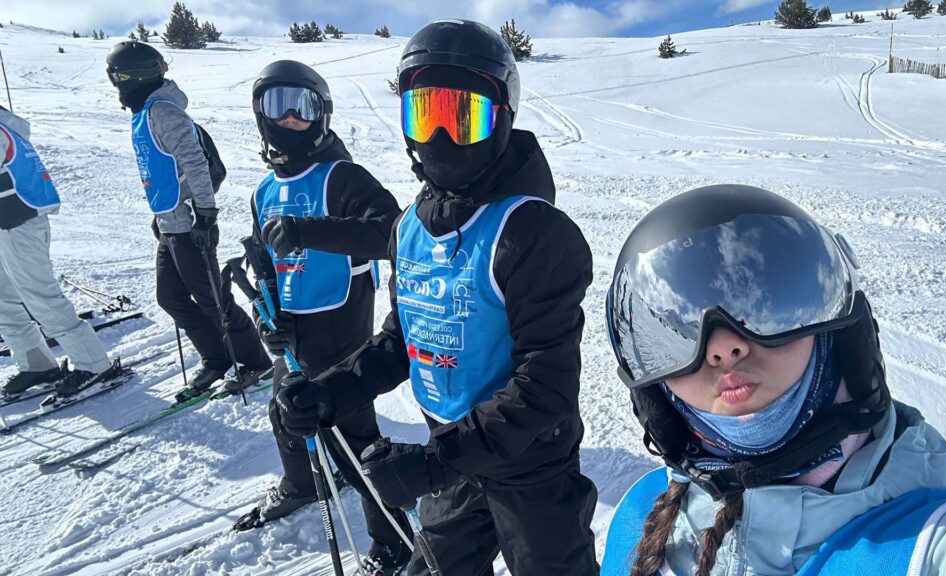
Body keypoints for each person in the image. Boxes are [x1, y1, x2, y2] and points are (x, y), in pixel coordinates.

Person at [274, 19, 600, 576]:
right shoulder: (408, 230)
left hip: (530, 467)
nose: (441, 139)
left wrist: (434, 465)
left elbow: (544, 386)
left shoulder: (534, 234)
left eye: (463, 118)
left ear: (500, 121)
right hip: (451, 453)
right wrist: (333, 391)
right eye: (426, 115)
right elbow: (405, 340)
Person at [602, 184, 946, 576]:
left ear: (836, 337)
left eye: (764, 309)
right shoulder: (640, 517)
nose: (723, 348)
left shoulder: (934, 547)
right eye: (684, 330)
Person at [233, 59, 411, 575]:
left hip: (341, 321)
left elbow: (389, 231)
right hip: (294, 325)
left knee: (352, 435)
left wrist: (310, 231)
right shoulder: (263, 191)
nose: (289, 118)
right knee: (285, 412)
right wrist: (267, 312)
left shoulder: (342, 176)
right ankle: (303, 484)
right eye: (276, 105)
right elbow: (264, 260)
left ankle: (392, 538)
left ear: (322, 115)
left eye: (302, 107)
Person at [104, 41, 269, 396]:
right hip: (170, 221)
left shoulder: (163, 111)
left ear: (133, 76)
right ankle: (217, 357)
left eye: (117, 78)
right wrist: (161, 214)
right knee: (171, 297)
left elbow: (193, 162)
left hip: (191, 222)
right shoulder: (146, 111)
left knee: (213, 299)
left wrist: (206, 214)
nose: (116, 87)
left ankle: (256, 362)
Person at [0, 104, 116, 399]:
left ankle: (95, 365)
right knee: (4, 299)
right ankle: (36, 363)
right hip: (9, 223)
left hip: (20, 224)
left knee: (40, 297)